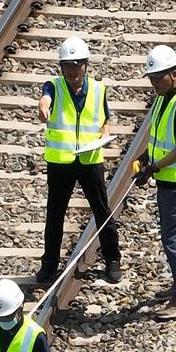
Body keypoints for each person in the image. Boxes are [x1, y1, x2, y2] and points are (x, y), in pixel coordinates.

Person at [35, 35, 121, 286]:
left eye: (77, 65)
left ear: (86, 65)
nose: (73, 71)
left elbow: (104, 118)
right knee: (55, 213)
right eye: (68, 66)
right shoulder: (54, 86)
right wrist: (43, 106)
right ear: (61, 67)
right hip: (61, 162)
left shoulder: (98, 89)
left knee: (101, 209)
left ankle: (112, 259)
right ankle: (49, 264)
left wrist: (105, 134)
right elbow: (45, 99)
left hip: (90, 159)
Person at [134, 45, 176, 320]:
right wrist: (145, 158)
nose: (154, 84)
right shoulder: (164, 99)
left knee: (173, 239)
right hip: (169, 178)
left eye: (158, 78)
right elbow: (160, 139)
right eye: (152, 78)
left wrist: (154, 167)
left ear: (174, 74)